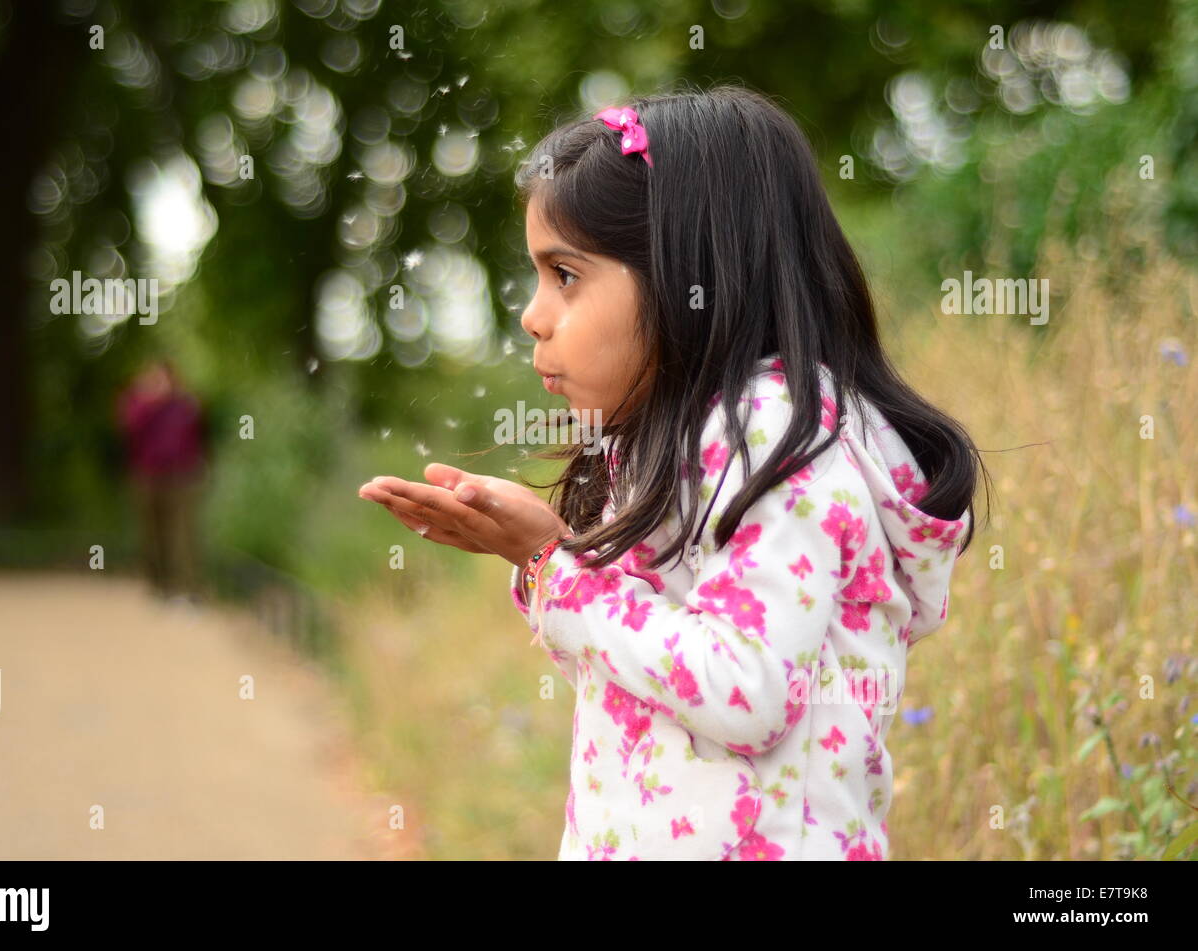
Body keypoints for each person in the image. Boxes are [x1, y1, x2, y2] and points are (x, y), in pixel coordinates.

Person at [356, 85, 988, 860]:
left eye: (566, 275)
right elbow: (637, 669)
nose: (533, 313)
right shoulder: (680, 438)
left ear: (687, 274)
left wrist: (557, 567)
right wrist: (542, 556)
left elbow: (744, 687)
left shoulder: (773, 438)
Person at [116, 359, 206, 601]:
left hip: (182, 475)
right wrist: (150, 401)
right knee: (152, 534)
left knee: (182, 534)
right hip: (147, 475)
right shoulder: (138, 401)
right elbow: (129, 426)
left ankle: (186, 588)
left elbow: (197, 432)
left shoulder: (185, 403)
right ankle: (158, 586)